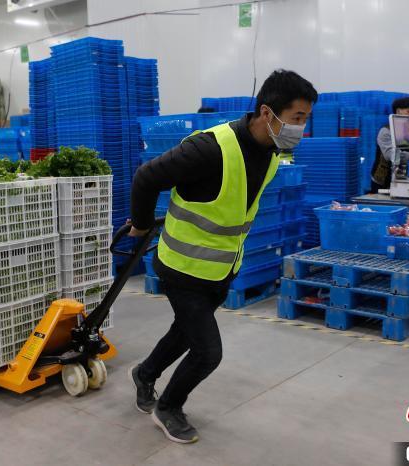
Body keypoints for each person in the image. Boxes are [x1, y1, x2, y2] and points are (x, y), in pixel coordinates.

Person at [128, 69, 317, 444]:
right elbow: (146, 177)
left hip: (220, 268)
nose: (301, 127)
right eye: (297, 118)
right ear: (268, 112)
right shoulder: (210, 147)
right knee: (208, 352)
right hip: (181, 267)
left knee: (185, 333)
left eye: (305, 119)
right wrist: (141, 224)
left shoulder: (273, 151)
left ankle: (145, 374)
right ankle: (168, 407)